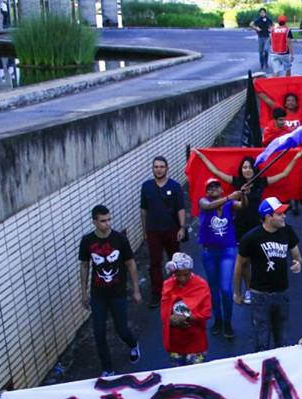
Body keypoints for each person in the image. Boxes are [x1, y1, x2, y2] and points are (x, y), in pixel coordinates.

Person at [79, 205, 142, 376]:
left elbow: (130, 263)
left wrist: (136, 289)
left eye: (109, 220)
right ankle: (108, 369)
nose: (107, 224)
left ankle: (133, 344)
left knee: (121, 329)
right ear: (94, 222)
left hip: (118, 292)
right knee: (99, 333)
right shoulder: (87, 241)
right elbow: (84, 266)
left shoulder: (120, 239)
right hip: (98, 294)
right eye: (103, 221)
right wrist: (84, 292)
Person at [235, 197, 302, 350]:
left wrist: (298, 263)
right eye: (279, 214)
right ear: (268, 216)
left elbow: (297, 256)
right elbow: (240, 266)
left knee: (282, 339)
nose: (284, 216)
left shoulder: (287, 231)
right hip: (260, 295)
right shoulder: (251, 238)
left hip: (281, 292)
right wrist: (237, 293)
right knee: (261, 339)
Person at [193, 150, 301, 242]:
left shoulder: (261, 181)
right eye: (244, 167)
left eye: (250, 167)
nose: (247, 170)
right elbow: (216, 172)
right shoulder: (237, 181)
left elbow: (284, 174)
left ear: (254, 169)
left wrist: (295, 158)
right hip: (240, 221)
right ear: (241, 170)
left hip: (256, 221)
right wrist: (201, 156)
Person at [140, 155, 186, 307]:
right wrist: (144, 230)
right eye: (156, 167)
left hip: (171, 229)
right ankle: (157, 293)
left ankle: (177, 290)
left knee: (175, 261)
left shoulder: (175, 186)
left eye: (161, 167)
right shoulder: (146, 187)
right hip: (153, 231)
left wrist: (182, 227)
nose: (158, 169)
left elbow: (181, 208)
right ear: (152, 169)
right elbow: (143, 210)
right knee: (155, 263)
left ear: (167, 168)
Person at [197, 178, 240, 338]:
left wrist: (244, 194)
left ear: (222, 189)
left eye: (216, 186)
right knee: (213, 289)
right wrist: (230, 197)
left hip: (227, 251)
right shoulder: (204, 201)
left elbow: (243, 206)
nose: (213, 189)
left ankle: (228, 322)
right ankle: (218, 320)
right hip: (209, 252)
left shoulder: (230, 204)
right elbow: (207, 206)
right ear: (206, 191)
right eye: (210, 187)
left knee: (226, 289)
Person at [160, 253, 211, 365]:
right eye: (178, 275)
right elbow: (164, 312)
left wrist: (186, 318)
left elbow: (206, 312)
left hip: (196, 341)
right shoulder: (167, 285)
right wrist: (171, 319)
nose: (182, 279)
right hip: (175, 341)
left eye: (186, 275)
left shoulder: (201, 285)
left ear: (191, 271)